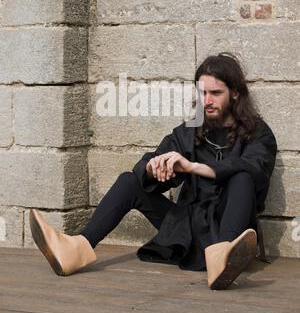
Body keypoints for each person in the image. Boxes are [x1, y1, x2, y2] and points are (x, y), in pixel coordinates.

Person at [30, 52, 277, 290]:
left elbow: (254, 169)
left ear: (234, 93)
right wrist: (154, 168)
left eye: (215, 93)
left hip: (229, 234)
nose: (207, 101)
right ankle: (76, 249)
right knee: (130, 180)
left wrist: (193, 167)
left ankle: (222, 260)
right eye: (202, 93)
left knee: (242, 176)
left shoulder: (258, 134)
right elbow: (149, 163)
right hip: (187, 231)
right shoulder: (189, 133)